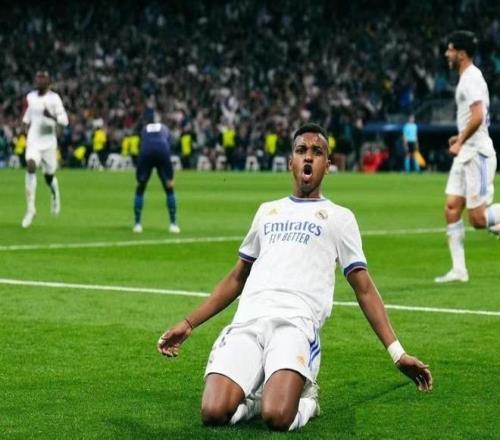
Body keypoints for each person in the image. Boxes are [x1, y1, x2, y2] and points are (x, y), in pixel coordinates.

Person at [157, 123, 433, 432]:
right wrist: (189, 323)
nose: (308, 157)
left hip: (295, 325)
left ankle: (307, 401)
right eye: (301, 150)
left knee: (278, 417)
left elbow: (364, 289)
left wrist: (397, 353)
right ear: (291, 162)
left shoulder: (340, 218)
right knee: (212, 412)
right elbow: (237, 278)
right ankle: (257, 396)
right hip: (248, 321)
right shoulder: (267, 212)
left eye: (317, 152)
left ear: (328, 165)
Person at [435, 31, 500, 283]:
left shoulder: (471, 77)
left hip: (477, 154)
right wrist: (460, 137)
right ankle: (459, 270)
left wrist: (461, 140)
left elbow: (479, 115)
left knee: (478, 219)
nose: (447, 54)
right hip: (466, 152)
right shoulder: (466, 78)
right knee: (452, 208)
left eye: (450, 49)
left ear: (461, 54)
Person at [21, 71, 68, 228]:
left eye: (42, 78)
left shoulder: (55, 99)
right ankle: (30, 209)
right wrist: (23, 126)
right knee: (31, 165)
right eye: (38, 78)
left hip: (49, 142)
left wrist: (51, 116)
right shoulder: (31, 97)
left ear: (49, 82)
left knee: (49, 176)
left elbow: (65, 121)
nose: (39, 81)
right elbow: (27, 116)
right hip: (33, 140)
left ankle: (55, 194)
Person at [133, 112, 180, 234]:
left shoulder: (144, 129)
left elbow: (142, 143)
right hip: (162, 151)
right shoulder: (164, 128)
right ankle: (173, 224)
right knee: (169, 188)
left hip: (146, 152)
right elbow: (170, 143)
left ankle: (137, 224)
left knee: (140, 187)